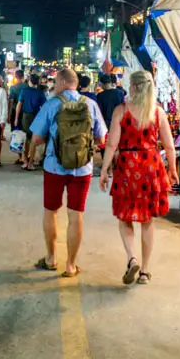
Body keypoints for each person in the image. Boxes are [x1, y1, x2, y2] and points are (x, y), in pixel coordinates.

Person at [100, 70, 178, 285]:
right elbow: (169, 145)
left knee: (125, 217)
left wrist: (105, 169)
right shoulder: (158, 113)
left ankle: (131, 258)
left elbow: (111, 144)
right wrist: (172, 169)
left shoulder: (121, 111)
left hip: (127, 167)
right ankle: (144, 271)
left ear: (132, 87)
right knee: (147, 220)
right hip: (151, 167)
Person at [30, 68, 107, 278]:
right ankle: (71, 265)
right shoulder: (90, 105)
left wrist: (51, 139)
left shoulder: (52, 104)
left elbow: (36, 138)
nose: (54, 86)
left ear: (64, 82)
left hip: (55, 166)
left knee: (51, 211)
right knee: (76, 215)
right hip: (82, 168)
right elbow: (102, 138)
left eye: (56, 82)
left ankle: (51, 259)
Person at [15, 74, 47, 170]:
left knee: (26, 139)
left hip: (25, 116)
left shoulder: (24, 91)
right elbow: (44, 107)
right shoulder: (40, 93)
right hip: (36, 117)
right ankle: (30, 163)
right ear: (38, 82)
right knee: (33, 140)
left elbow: (19, 105)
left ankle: (25, 161)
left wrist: (16, 118)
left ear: (29, 81)